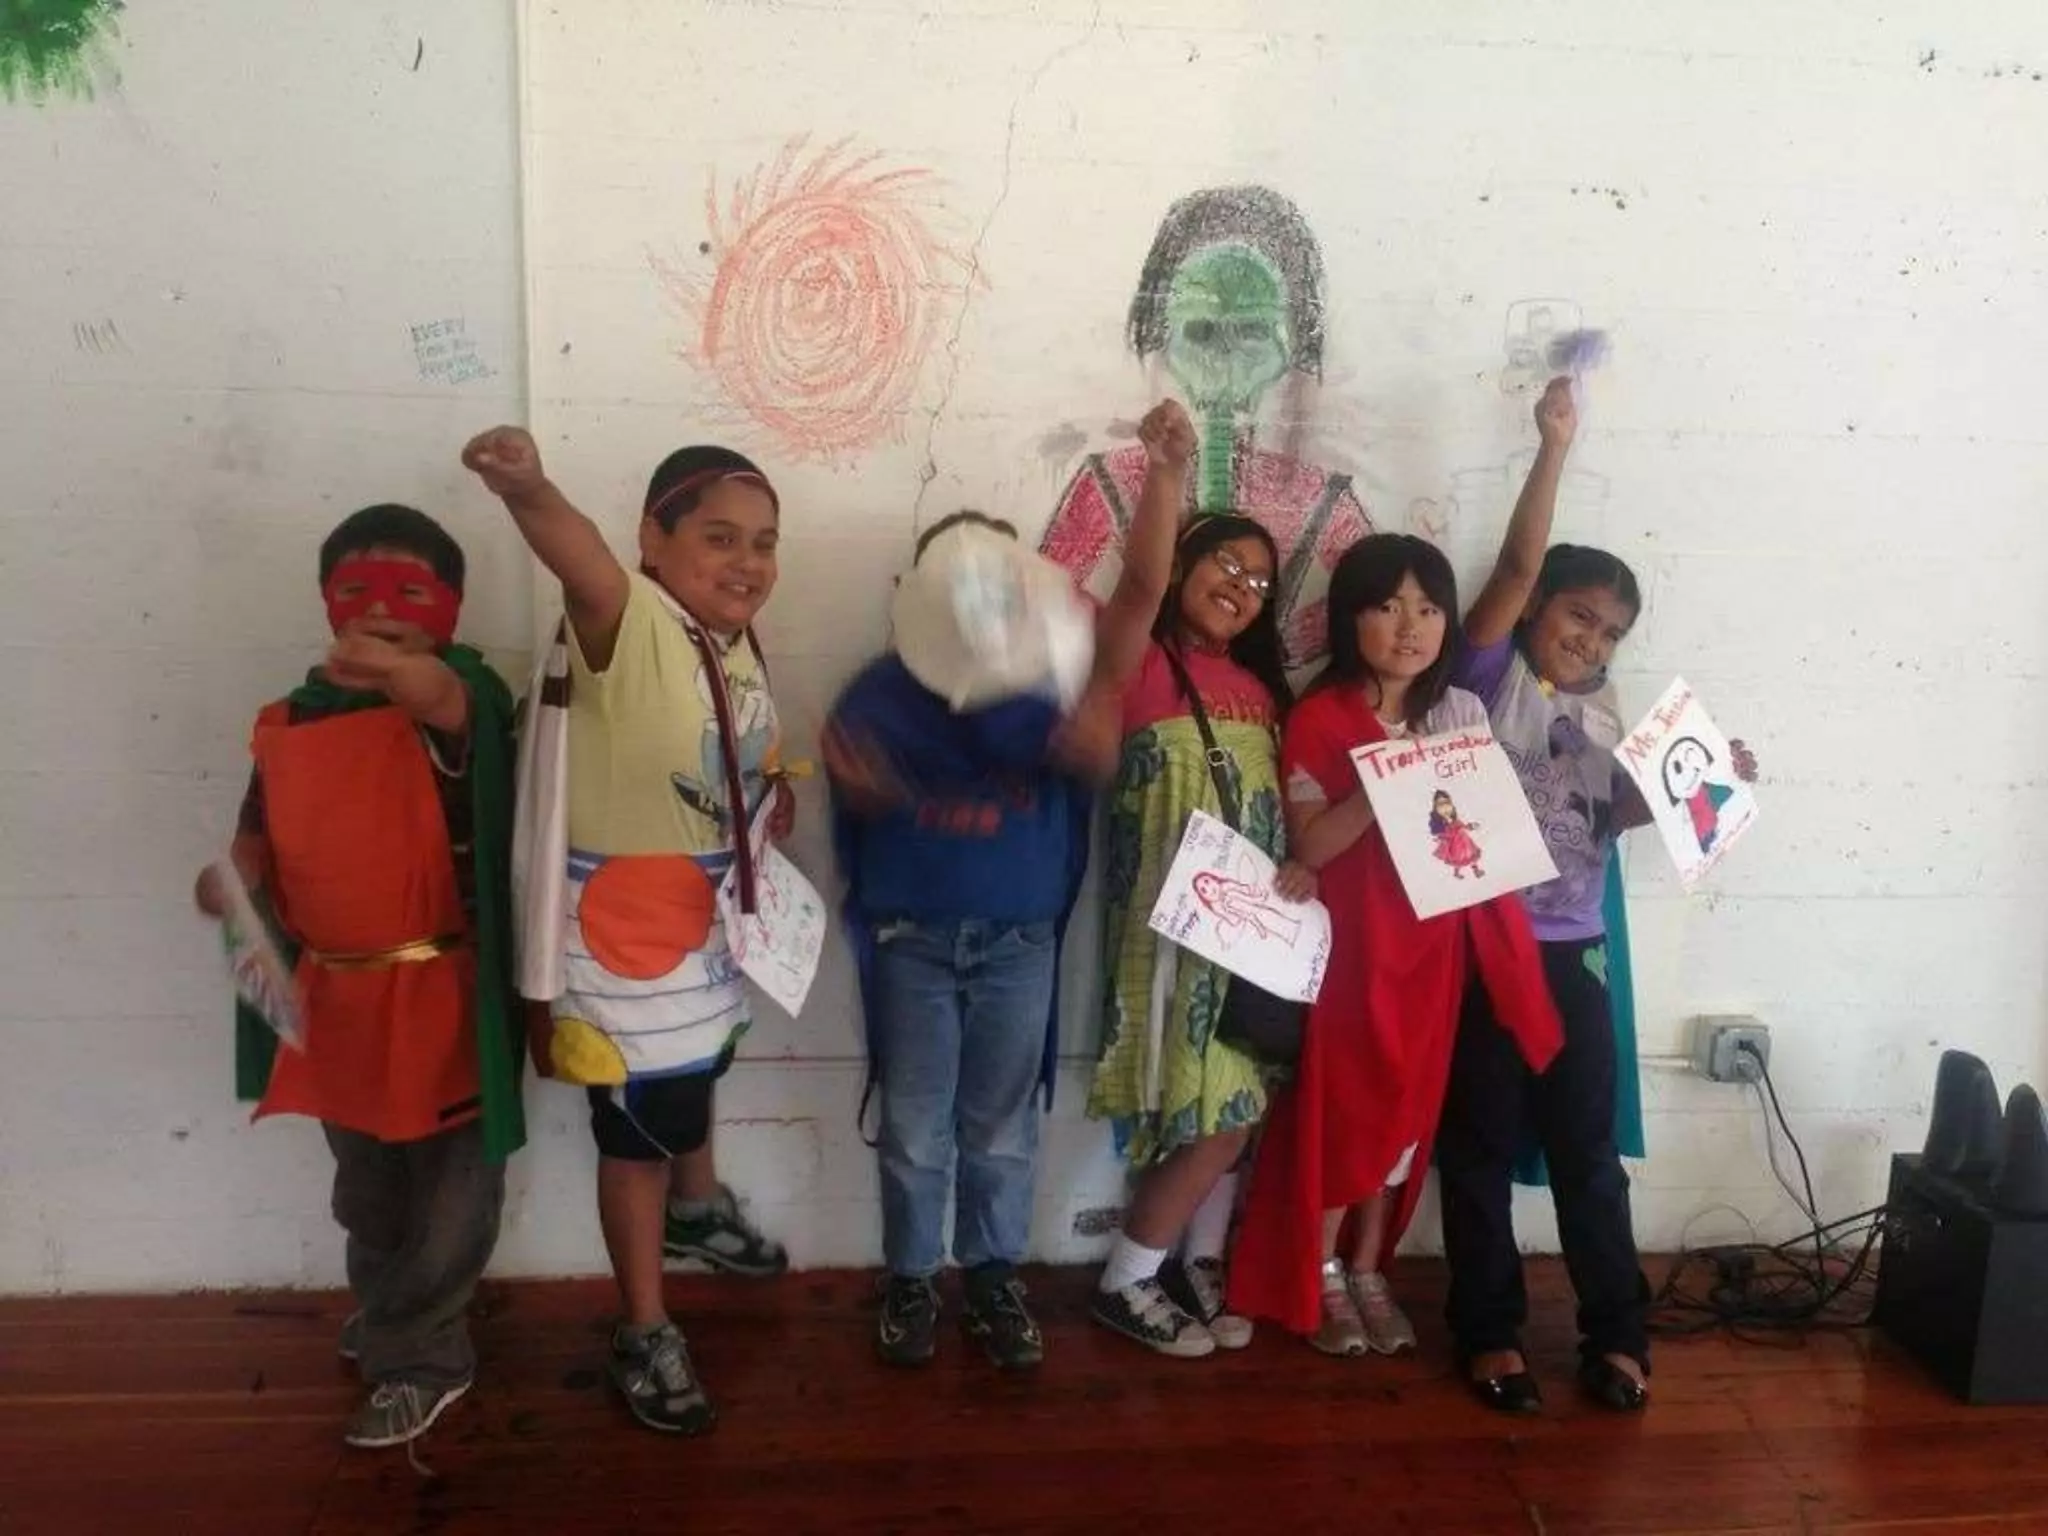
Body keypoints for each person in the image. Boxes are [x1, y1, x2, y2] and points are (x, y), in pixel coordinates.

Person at [1436, 377, 1757, 1413]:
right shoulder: (1485, 676)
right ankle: (1489, 1333)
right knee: (1478, 1146)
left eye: (1612, 630)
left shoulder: (1608, 709)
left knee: (1587, 1153)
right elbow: (1515, 564)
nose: (1592, 640)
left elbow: (1609, 818)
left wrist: (1698, 788)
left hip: (1573, 951)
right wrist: (1554, 445)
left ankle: (1617, 1337)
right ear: (1537, 609)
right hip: (1484, 950)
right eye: (1580, 615)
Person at [464, 426, 792, 1435]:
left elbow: (716, 763)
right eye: (719, 538)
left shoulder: (734, 643)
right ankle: (643, 1328)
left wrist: (769, 801)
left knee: (693, 1074)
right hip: (624, 939)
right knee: (637, 1132)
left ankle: (697, 1210)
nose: (746, 563)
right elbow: (576, 556)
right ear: (653, 539)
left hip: (706, 926)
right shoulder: (629, 614)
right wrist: (527, 486)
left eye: (763, 543)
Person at [196, 503, 525, 1450]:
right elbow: (256, 837)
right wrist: (232, 883)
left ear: (449, 608)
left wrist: (397, 672)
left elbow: (439, 698)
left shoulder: (466, 692)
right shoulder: (292, 714)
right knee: (367, 1184)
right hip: (336, 992)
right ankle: (393, 1313)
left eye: (409, 591)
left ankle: (425, 1356)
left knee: (452, 1189)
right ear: (327, 601)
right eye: (357, 590)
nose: (381, 609)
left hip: (445, 994)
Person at [1227, 534, 1562, 1355]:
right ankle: (1321, 1273)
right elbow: (1311, 847)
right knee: (1347, 1116)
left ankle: (1368, 1266)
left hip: (1433, 954)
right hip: (1355, 959)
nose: (1411, 626)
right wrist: (1390, 781)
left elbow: (1481, 839)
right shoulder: (1320, 716)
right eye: (1387, 606)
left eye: (1428, 608)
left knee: (1408, 1120)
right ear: (1350, 618)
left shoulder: (1457, 715)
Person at [827, 512, 1105, 1370]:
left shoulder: (1052, 685)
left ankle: (991, 1275)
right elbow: (852, 808)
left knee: (1001, 1126)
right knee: (914, 1128)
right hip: (915, 940)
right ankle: (912, 1277)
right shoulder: (877, 694)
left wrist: (1094, 745)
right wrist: (862, 793)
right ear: (915, 596)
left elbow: (1089, 780)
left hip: (1018, 942)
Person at [1082, 398, 1314, 1357]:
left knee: (1237, 1109)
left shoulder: (1263, 693)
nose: (1242, 586)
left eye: (1260, 581)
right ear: (1182, 566)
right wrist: (1168, 472)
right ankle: (1127, 1278)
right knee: (1212, 1113)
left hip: (1254, 936)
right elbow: (1137, 584)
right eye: (1224, 563)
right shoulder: (1138, 662)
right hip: (1171, 930)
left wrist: (1304, 865)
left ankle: (1197, 1260)